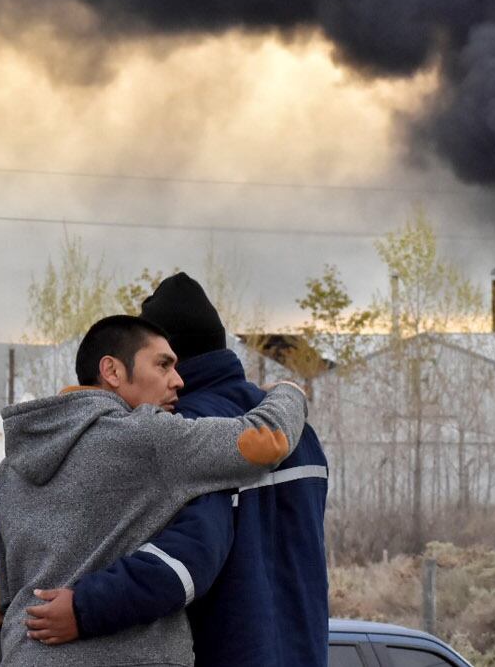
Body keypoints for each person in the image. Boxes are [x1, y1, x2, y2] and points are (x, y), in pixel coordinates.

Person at [26, 273, 330, 667]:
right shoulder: (300, 432)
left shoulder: (182, 430)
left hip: (221, 651)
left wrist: (84, 607)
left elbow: (187, 557)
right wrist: (291, 390)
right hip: (304, 650)